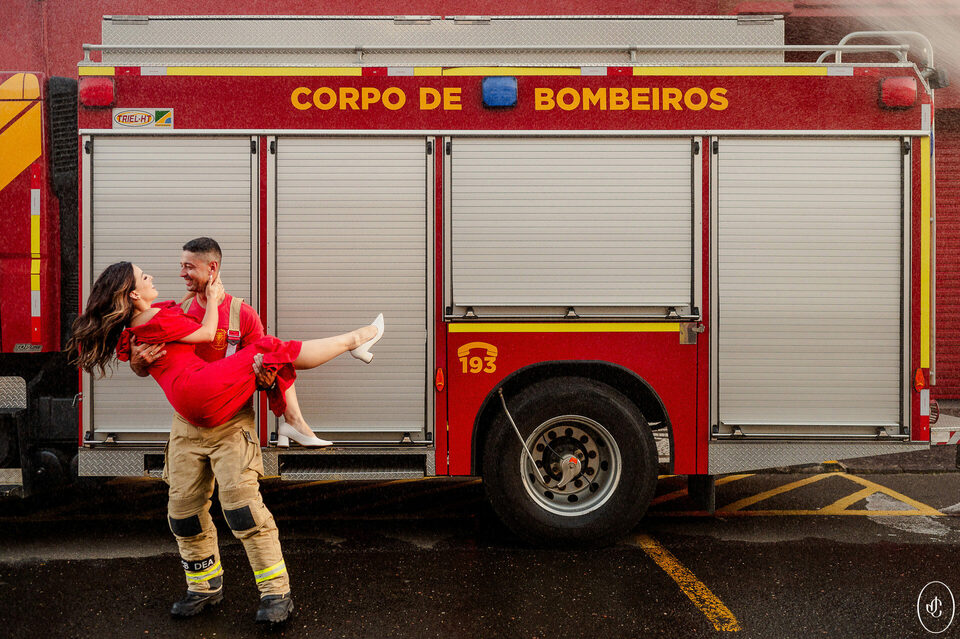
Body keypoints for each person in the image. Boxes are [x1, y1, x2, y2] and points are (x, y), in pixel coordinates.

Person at [66, 239, 383, 625]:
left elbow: (269, 371)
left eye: (189, 267)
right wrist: (138, 363)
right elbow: (141, 354)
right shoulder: (171, 309)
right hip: (187, 426)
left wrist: (267, 379)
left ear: (211, 270)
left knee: (243, 511)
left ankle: (275, 594)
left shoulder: (241, 314)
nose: (180, 273)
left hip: (231, 422)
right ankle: (203, 588)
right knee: (182, 513)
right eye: (180, 266)